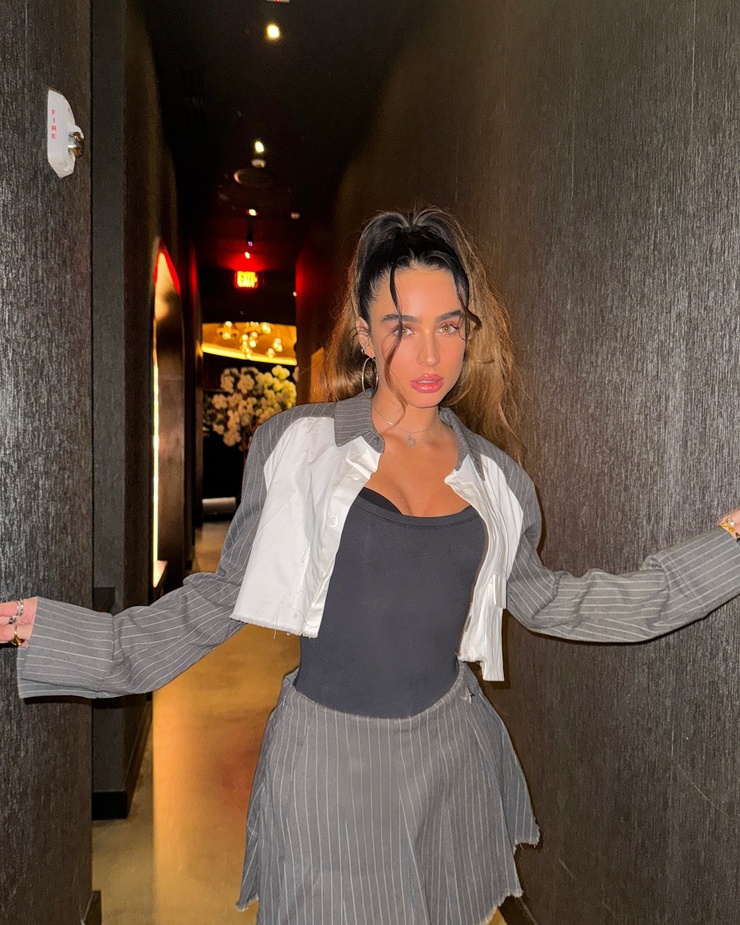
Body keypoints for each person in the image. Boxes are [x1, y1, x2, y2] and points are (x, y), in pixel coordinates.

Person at [3, 207, 740, 925]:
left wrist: (726, 547)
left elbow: (557, 603)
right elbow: (218, 599)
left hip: (449, 755)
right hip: (328, 763)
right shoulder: (298, 447)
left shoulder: (497, 480)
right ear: (364, 333)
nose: (431, 356)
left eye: (449, 325)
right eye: (402, 327)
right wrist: (69, 636)